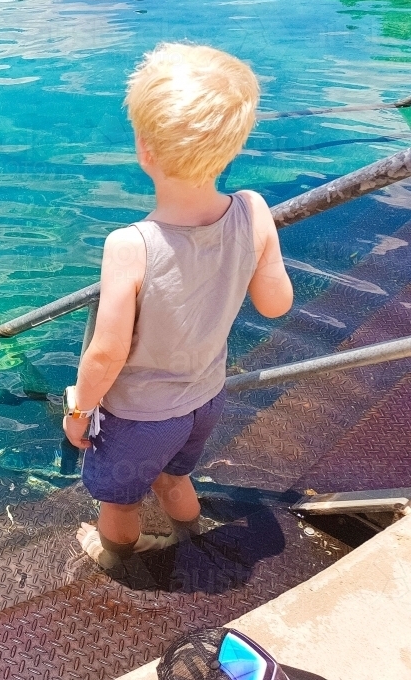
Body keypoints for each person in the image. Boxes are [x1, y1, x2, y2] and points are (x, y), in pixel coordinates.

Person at [62, 42, 294, 573]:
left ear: (145, 150)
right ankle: (190, 538)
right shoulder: (254, 209)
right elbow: (276, 304)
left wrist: (78, 414)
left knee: (120, 500)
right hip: (205, 399)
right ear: (233, 146)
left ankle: (118, 556)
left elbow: (106, 353)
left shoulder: (131, 244)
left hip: (140, 417)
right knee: (174, 477)